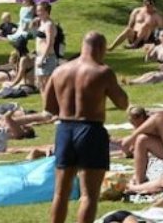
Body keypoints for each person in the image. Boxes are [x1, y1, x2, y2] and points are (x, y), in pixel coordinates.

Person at [44, 31, 129, 223]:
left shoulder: (60, 71)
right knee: (89, 195)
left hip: (65, 129)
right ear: (100, 48)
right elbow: (122, 103)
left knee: (60, 193)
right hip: (90, 130)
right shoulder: (102, 71)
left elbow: (49, 106)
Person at [123, 105, 163, 185]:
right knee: (142, 139)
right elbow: (132, 149)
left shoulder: (155, 119)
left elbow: (158, 117)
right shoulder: (142, 130)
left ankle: (138, 184)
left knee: (159, 119)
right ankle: (139, 181)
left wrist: (129, 141)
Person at [34, 1, 57, 93]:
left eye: (40, 11)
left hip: (47, 57)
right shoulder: (42, 23)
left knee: (46, 85)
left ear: (46, 12)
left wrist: (43, 58)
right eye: (37, 11)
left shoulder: (49, 25)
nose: (38, 13)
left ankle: (49, 103)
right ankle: (45, 102)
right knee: (40, 85)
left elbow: (50, 42)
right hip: (40, 56)